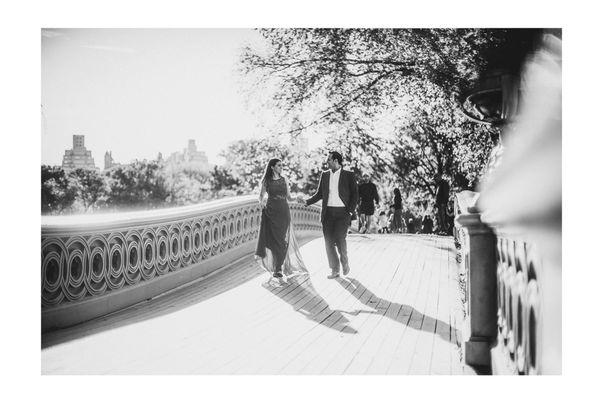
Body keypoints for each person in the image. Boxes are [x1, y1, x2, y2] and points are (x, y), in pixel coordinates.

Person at [300, 151, 358, 279]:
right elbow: (319, 194)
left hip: (343, 213)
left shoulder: (348, 175)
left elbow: (355, 194)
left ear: (336, 161)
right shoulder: (325, 175)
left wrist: (349, 211)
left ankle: (344, 261)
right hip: (328, 213)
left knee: (340, 239)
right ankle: (335, 269)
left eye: (329, 160)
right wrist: (306, 202)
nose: (327, 162)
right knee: (329, 242)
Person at [255, 158, 308, 283]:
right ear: (272, 167)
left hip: (283, 213)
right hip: (271, 213)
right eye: (279, 165)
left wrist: (298, 198)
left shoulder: (284, 180)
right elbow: (260, 196)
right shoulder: (266, 181)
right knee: (274, 242)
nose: (281, 167)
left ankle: (278, 269)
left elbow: (289, 198)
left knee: (282, 242)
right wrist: (262, 203)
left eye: (282, 165)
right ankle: (277, 270)